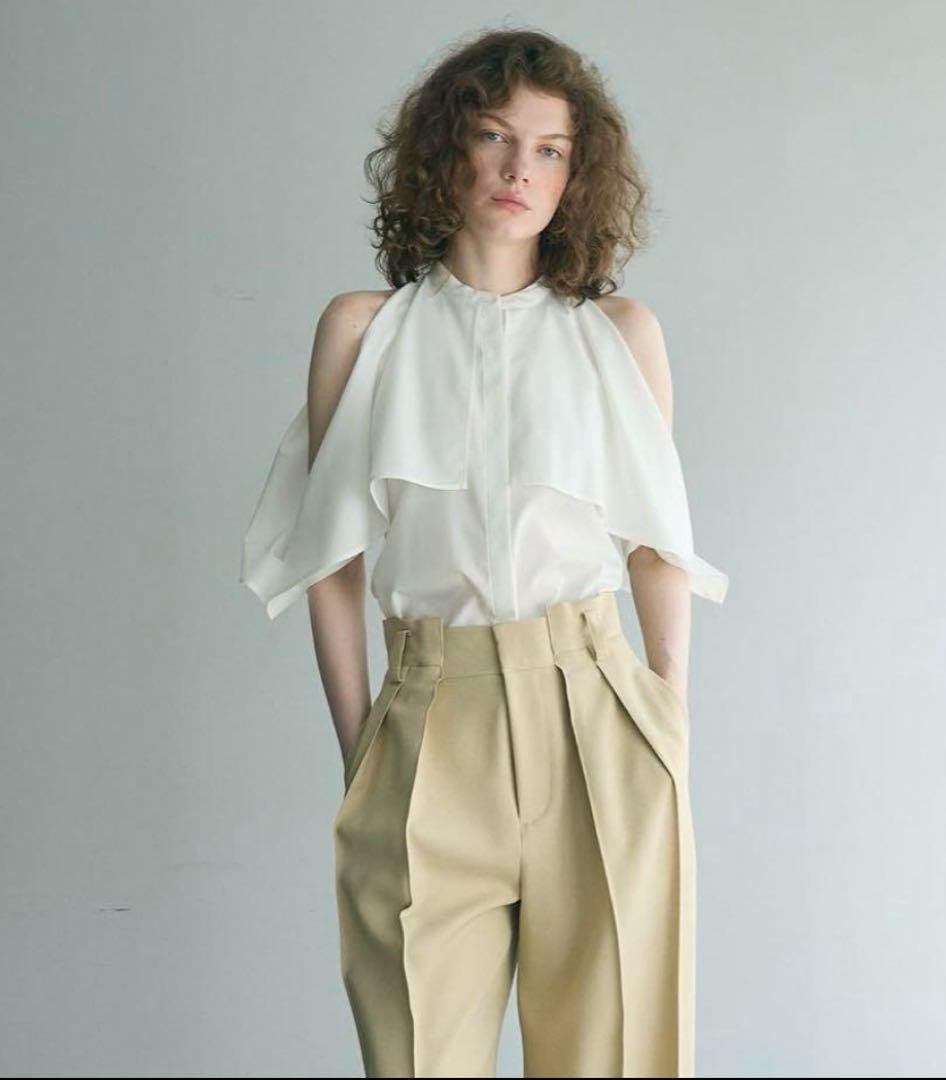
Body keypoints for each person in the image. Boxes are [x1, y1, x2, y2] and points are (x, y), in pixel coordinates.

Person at [240, 27, 728, 1080]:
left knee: (617, 1058)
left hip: (595, 713)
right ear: (445, 150)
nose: (519, 170)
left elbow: (655, 549)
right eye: (495, 137)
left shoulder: (620, 335)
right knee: (419, 1057)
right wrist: (363, 745)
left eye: (550, 150)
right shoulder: (363, 331)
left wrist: (666, 724)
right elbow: (329, 563)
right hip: (429, 718)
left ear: (577, 176)